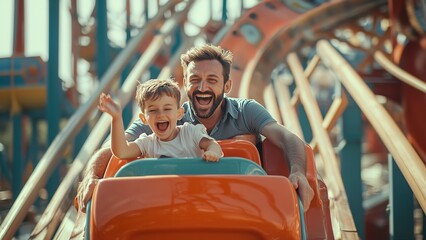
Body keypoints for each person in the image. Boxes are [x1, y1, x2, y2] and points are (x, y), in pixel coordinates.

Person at [77, 44, 314, 212]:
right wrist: (90, 177)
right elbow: (112, 149)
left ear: (227, 85)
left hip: (238, 207)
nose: (202, 87)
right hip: (177, 206)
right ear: (184, 84)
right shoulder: (166, 117)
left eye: (212, 80)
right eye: (194, 80)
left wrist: (297, 172)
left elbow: (287, 138)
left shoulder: (245, 111)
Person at [98, 79, 223, 161]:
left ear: (179, 114)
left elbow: (212, 144)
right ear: (143, 119)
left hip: (191, 193)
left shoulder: (190, 133)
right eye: (153, 110)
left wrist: (212, 152)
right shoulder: (148, 143)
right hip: (161, 197)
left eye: (167, 109)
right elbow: (122, 152)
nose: (160, 114)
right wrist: (116, 118)